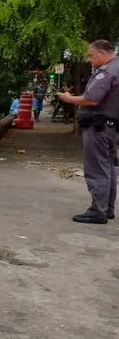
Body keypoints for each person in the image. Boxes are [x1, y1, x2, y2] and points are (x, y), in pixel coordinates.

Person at [58, 39, 119, 224]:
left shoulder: (107, 72)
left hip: (98, 127)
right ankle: (106, 208)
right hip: (111, 127)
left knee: (97, 168)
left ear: (102, 53)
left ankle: (97, 211)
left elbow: (91, 99)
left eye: (91, 56)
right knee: (108, 168)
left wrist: (68, 98)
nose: (89, 60)